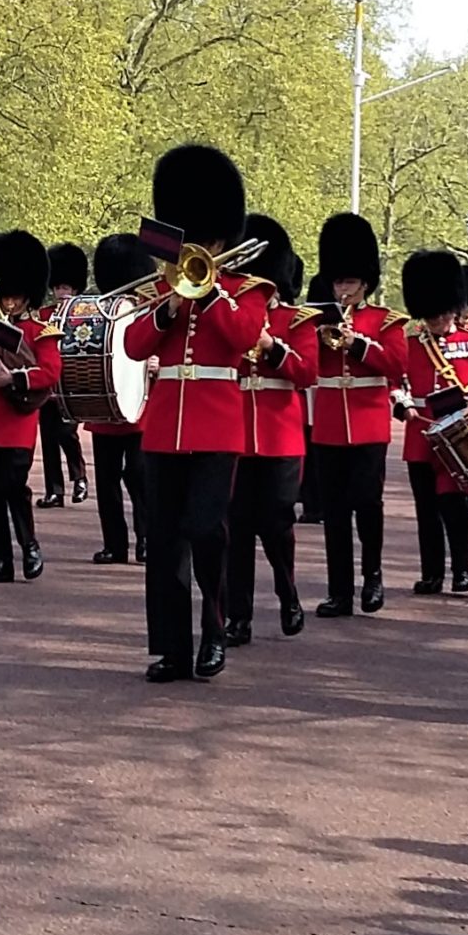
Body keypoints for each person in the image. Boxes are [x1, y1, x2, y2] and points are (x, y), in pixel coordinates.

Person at [123, 144, 262, 683]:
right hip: (163, 428)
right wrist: (171, 306)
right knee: (164, 540)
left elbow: (243, 337)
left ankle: (215, 631)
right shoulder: (162, 288)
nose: (194, 250)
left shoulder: (248, 290)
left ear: (221, 241)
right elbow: (135, 345)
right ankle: (173, 648)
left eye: (203, 241)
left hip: (216, 425)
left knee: (208, 531)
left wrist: (209, 294)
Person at [307, 212, 406, 618]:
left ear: (365, 283)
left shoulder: (386, 322)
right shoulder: (316, 321)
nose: (342, 288)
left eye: (349, 282)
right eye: (337, 281)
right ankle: (339, 591)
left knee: (367, 503)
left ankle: (374, 576)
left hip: (367, 425)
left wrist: (358, 344)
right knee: (334, 511)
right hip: (329, 425)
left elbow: (397, 366)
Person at [223, 214, 316, 643]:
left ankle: (288, 592)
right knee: (236, 528)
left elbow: (307, 372)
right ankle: (237, 617)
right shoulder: (232, 316)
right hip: (237, 435)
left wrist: (271, 347)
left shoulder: (298, 322)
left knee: (276, 523)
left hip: (280, 438)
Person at [0, 230, 61, 582]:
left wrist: (15, 379)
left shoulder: (40, 330)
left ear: (26, 297)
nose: (9, 303)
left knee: (14, 488)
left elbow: (50, 371)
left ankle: (29, 544)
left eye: (15, 297)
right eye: (6, 296)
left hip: (16, 421)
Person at [400, 249, 468, 597]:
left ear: (454, 308)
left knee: (453, 508)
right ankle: (432, 573)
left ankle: (462, 571)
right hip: (420, 432)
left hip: (457, 435)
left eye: (442, 314)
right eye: (431, 315)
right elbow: (398, 382)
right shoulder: (411, 344)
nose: (436, 320)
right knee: (426, 511)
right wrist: (403, 403)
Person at [84, 233, 153, 566]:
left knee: (141, 478)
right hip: (106, 407)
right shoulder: (99, 308)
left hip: (142, 405)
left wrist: (157, 363)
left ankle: (146, 538)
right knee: (106, 482)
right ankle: (114, 542)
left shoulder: (150, 305)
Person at [37, 240, 92, 509]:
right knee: (48, 438)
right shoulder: (43, 314)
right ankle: (54, 491)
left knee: (66, 433)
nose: (61, 292)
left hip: (71, 383)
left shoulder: (83, 314)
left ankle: (79, 476)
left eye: (66, 288)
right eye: (58, 287)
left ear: (75, 288)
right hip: (48, 386)